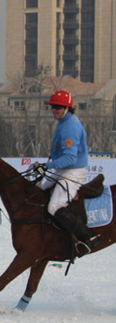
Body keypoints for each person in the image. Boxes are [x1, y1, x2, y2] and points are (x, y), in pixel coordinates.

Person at [35, 90, 99, 256]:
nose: (54, 110)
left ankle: (88, 237)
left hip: (73, 171)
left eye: (57, 107)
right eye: (52, 107)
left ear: (67, 108)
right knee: (39, 188)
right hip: (63, 168)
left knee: (55, 206)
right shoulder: (64, 121)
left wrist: (47, 166)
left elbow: (70, 158)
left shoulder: (70, 127)